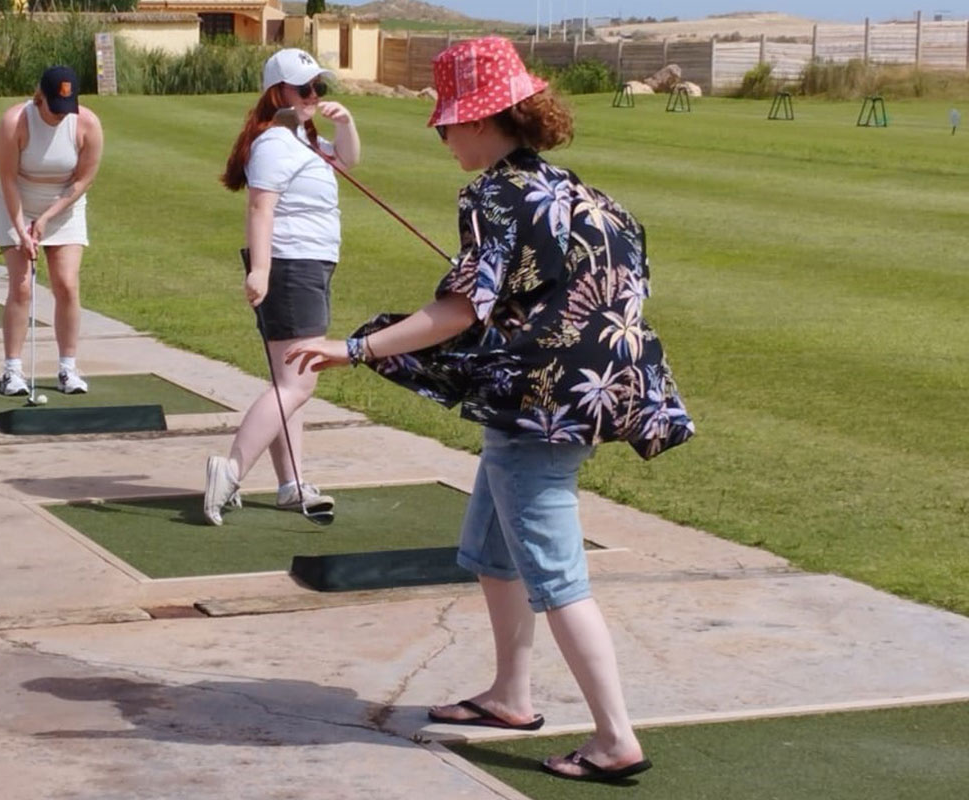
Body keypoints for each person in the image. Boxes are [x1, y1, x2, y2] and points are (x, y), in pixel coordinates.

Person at [285, 37, 694, 783]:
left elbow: (457, 312)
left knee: (556, 574)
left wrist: (356, 348)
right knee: (493, 550)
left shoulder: (492, 195)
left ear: (480, 120)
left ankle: (613, 739)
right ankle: (511, 694)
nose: (441, 136)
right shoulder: (584, 193)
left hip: (540, 406)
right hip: (589, 393)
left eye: (446, 123)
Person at [205, 48, 361, 526]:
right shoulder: (276, 142)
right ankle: (229, 471)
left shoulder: (303, 137)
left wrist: (345, 123)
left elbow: (349, 162)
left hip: (304, 266)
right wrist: (262, 271)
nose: (314, 95)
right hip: (292, 267)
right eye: (304, 88)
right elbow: (260, 208)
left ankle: (292, 482)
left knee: (287, 381)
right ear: (279, 93)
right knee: (299, 382)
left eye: (319, 87)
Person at [0, 65, 103, 396]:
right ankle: (11, 371)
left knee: (66, 284)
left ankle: (68, 369)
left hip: (64, 207)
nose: (59, 116)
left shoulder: (87, 124)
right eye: (54, 108)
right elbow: (8, 180)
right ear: (40, 97)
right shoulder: (15, 122)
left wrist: (46, 219)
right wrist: (22, 230)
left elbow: (83, 180)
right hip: (17, 204)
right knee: (22, 286)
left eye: (65, 108)